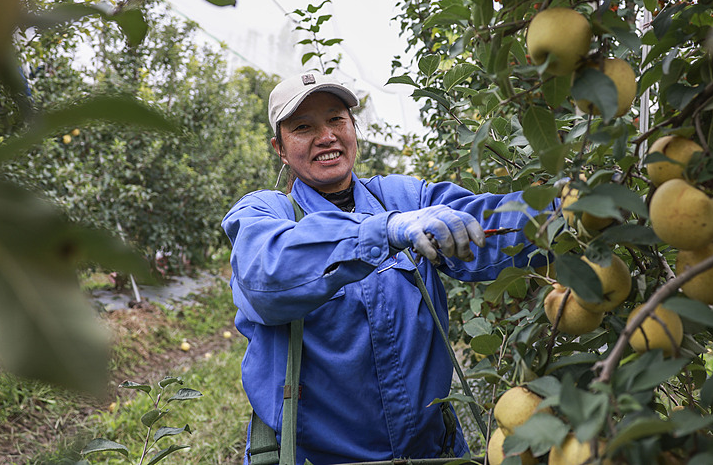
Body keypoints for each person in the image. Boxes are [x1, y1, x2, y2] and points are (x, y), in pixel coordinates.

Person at [223, 71, 550, 465]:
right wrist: (384, 231)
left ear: (353, 128)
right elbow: (265, 272)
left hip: (432, 454)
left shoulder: (403, 197)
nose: (326, 136)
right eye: (303, 127)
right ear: (280, 147)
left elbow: (485, 221)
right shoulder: (265, 212)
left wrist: (570, 207)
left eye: (336, 119)